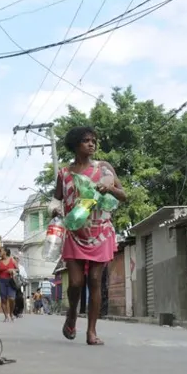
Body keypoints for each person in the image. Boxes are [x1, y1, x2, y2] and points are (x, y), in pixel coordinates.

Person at [54, 126, 127, 345]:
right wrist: (55, 209)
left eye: (94, 140)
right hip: (75, 233)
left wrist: (110, 189)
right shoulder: (65, 174)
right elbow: (56, 199)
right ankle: (72, 315)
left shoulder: (104, 168)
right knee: (76, 283)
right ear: (75, 145)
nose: (91, 144)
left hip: (101, 232)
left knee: (95, 280)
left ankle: (91, 332)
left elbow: (123, 195)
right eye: (86, 140)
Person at [0, 247, 18, 322]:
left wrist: (13, 270)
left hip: (11, 281)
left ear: (5, 252)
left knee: (12, 298)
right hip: (1, 282)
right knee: (4, 300)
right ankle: (6, 316)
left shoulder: (12, 260)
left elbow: (18, 270)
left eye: (0, 251)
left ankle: (11, 313)